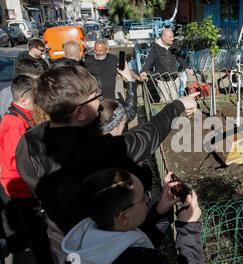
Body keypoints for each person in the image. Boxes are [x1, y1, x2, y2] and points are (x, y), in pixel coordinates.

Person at [15, 64, 199, 235]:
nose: (101, 103)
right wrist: (178, 105)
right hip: (100, 240)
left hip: (61, 239)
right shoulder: (95, 149)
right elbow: (146, 139)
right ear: (79, 112)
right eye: (97, 97)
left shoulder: (27, 141)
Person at [61, 169, 204, 264]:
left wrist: (159, 213)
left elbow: (134, 242)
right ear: (123, 217)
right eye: (143, 198)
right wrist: (188, 230)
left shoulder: (92, 236)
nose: (148, 200)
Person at [0, 75, 57, 264]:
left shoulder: (20, 115)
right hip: (20, 188)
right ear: (24, 99)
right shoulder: (14, 123)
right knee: (37, 231)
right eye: (35, 98)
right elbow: (15, 163)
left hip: (22, 186)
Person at [140, 28, 194, 102]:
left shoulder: (173, 46)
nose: (173, 39)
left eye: (173, 36)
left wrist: (186, 68)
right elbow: (149, 61)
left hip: (174, 79)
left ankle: (175, 113)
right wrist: (144, 71)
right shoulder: (155, 48)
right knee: (165, 101)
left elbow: (180, 58)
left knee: (175, 101)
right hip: (161, 80)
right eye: (170, 37)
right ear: (163, 38)